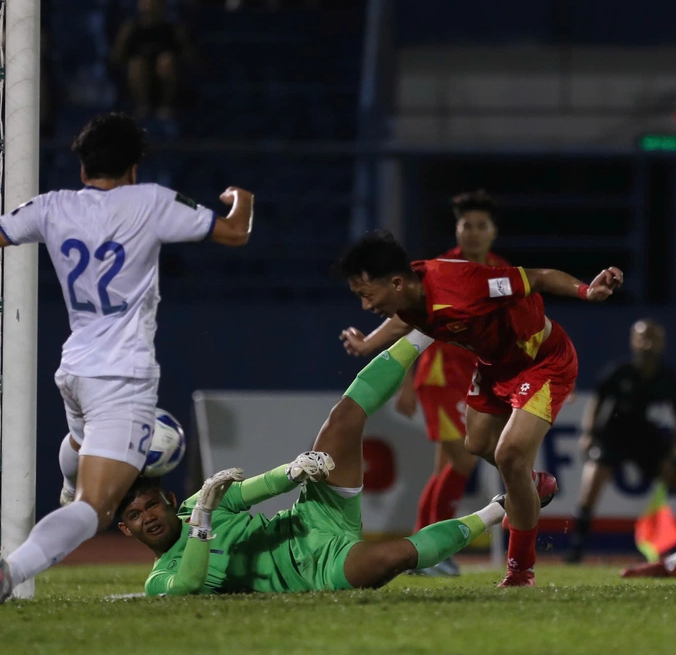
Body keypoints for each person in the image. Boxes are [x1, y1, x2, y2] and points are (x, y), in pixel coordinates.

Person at [0, 112, 255, 605]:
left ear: (82, 170)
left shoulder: (52, 206)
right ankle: (8, 573)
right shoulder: (151, 200)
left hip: (74, 370)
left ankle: (68, 478)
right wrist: (240, 199)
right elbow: (235, 232)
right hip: (121, 375)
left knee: (79, 444)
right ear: (133, 167)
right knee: (95, 509)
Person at [117, 332, 545, 596]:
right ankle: (499, 509)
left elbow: (256, 489)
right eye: (135, 516)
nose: (148, 517)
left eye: (152, 504)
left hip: (309, 518)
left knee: (343, 417)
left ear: (169, 499)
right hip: (315, 571)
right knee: (390, 559)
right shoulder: (161, 578)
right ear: (125, 530)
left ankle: (423, 331)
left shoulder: (199, 501)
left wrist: (294, 470)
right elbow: (189, 584)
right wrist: (204, 519)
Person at [336, 229, 623, 586]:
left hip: (542, 361)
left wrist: (586, 291)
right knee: (477, 446)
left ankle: (520, 570)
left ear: (395, 282)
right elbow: (402, 320)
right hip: (493, 368)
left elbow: (537, 278)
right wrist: (368, 345)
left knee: (510, 456)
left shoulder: (463, 283)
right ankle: (533, 484)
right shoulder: (409, 296)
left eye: (366, 295)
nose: (365, 306)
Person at [386, 191, 508, 576]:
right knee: (462, 459)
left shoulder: (502, 272)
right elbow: (409, 322)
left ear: (493, 232)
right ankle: (434, 551)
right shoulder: (440, 270)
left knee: (445, 468)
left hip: (475, 382)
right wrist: (405, 381)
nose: (472, 233)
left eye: (480, 226)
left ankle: (422, 550)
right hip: (440, 378)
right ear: (457, 230)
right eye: (465, 225)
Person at [565, 319, 676, 563]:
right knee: (592, 482)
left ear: (662, 343)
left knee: (672, 476)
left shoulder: (667, 378)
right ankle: (576, 549)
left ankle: (668, 545)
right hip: (613, 436)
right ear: (633, 341)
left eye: (653, 338)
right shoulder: (619, 373)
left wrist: (671, 454)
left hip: (647, 438)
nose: (647, 344)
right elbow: (596, 404)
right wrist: (588, 434)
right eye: (642, 337)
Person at [111, 0, 193, 124]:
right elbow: (116, 59)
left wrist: (182, 41)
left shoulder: (173, 29)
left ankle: (166, 107)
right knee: (137, 63)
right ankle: (143, 107)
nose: (150, 4)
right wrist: (123, 40)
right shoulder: (130, 28)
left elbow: (190, 58)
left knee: (166, 61)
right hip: (136, 80)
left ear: (163, 2)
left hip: (167, 80)